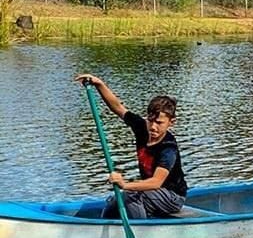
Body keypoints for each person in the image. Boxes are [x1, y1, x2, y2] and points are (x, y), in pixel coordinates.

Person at [75, 74, 188, 219]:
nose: (153, 127)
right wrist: (99, 84)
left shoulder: (168, 148)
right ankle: (103, 225)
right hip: (151, 192)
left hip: (172, 197)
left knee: (129, 197)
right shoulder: (142, 127)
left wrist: (125, 184)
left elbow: (156, 182)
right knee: (115, 201)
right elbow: (118, 108)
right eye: (150, 121)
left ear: (171, 123)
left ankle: (141, 230)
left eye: (159, 123)